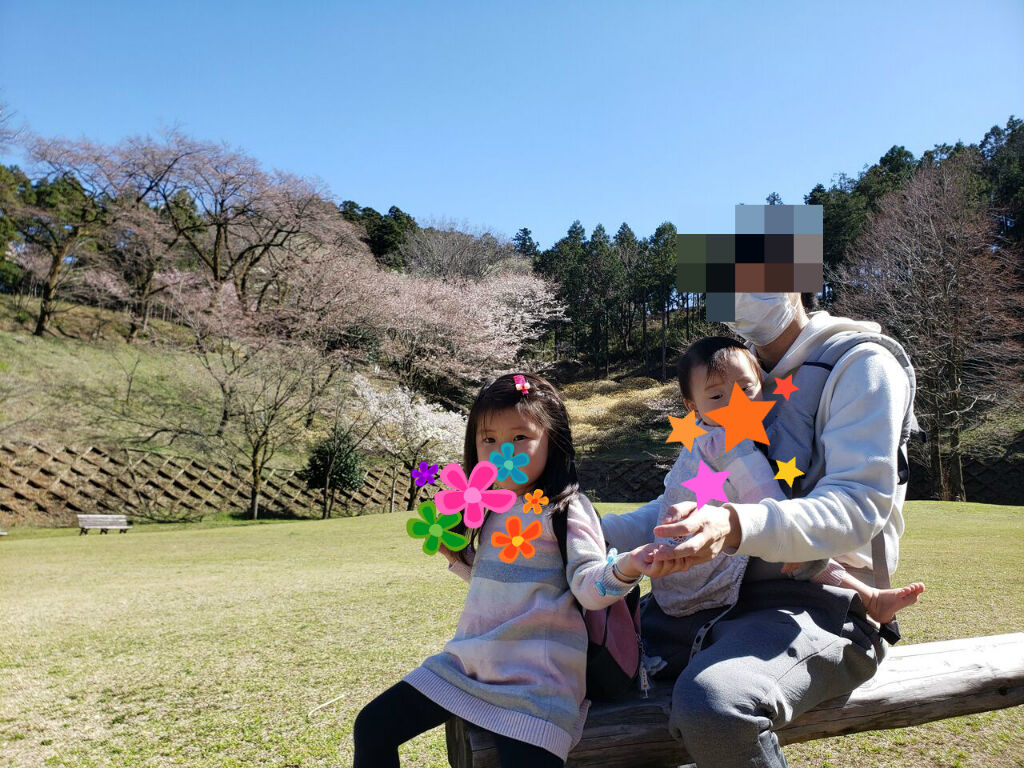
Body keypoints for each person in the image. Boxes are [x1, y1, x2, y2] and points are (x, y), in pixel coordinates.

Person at [602, 291, 921, 767]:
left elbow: (858, 506)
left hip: (814, 604)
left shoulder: (860, 363)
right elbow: (688, 502)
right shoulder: (732, 372)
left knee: (716, 706)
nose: (740, 291)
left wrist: (734, 524)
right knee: (569, 666)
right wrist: (592, 531)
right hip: (705, 600)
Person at [352, 372, 657, 768]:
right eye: (489, 440)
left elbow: (587, 587)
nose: (502, 452)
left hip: (537, 682)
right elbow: (501, 586)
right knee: (372, 726)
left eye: (520, 437)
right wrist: (458, 560)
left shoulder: (565, 509)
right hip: (468, 664)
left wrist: (626, 568)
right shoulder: (488, 507)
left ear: (553, 440)